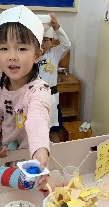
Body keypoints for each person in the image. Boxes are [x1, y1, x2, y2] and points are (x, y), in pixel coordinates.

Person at [0, 5, 51, 172]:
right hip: (6, 157)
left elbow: (37, 118)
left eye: (21, 48)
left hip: (31, 158)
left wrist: (40, 148)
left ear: (37, 55)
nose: (12, 56)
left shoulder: (39, 89)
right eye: (4, 48)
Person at [38, 13, 71, 143]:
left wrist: (57, 27)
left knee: (54, 129)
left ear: (51, 42)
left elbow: (67, 44)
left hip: (52, 96)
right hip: (36, 96)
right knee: (39, 130)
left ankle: (57, 154)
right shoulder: (31, 55)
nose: (43, 43)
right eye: (40, 40)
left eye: (46, 40)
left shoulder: (54, 53)